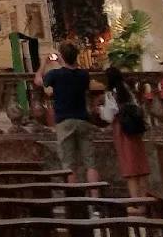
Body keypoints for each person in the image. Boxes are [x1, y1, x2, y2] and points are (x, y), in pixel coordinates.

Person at [35, 41, 99, 189]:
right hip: (83, 119)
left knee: (69, 164)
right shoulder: (84, 75)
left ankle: (74, 200)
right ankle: (96, 201)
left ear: (61, 56)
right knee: (90, 163)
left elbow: (38, 81)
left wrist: (44, 64)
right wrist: (63, 61)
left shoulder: (55, 75)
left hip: (64, 121)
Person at [99, 66, 150, 202]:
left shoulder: (111, 93)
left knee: (129, 166)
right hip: (135, 129)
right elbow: (136, 106)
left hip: (122, 129)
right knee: (140, 165)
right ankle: (144, 199)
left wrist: (100, 110)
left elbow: (110, 115)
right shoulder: (127, 90)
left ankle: (135, 200)